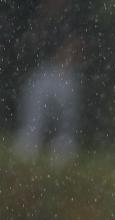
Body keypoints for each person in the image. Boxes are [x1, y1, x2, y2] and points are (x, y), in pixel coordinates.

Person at [13, 0, 83, 167]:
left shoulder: (72, 18)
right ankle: (31, 139)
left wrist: (64, 63)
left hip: (66, 71)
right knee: (36, 92)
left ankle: (63, 143)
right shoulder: (39, 17)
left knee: (66, 97)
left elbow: (77, 48)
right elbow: (33, 47)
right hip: (45, 71)